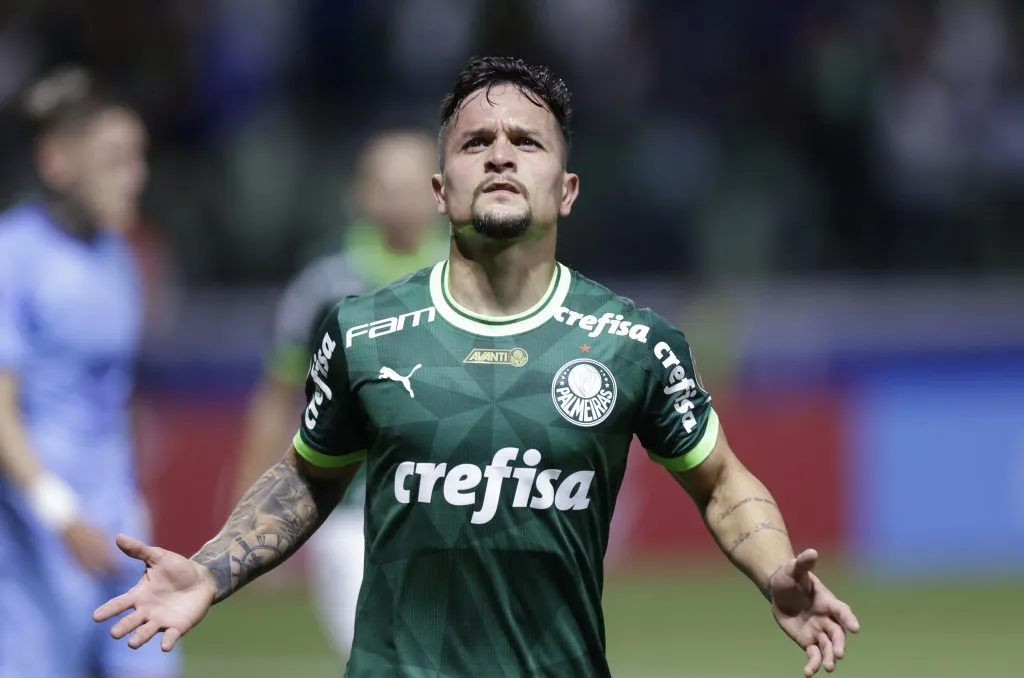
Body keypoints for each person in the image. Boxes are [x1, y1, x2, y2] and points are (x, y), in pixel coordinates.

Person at [95, 56, 860, 678]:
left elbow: (721, 480)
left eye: (526, 142)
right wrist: (212, 570)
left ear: (567, 191)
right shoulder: (364, 332)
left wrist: (772, 573)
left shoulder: (633, 341)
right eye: (474, 143)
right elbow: (308, 474)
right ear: (441, 190)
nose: (499, 153)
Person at [230, 128, 448, 656]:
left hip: (453, 505)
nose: (399, 198)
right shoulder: (324, 284)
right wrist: (251, 521)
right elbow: (278, 394)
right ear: (359, 194)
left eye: (412, 184)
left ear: (441, 192)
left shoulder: (472, 271)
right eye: (385, 184)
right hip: (349, 515)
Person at [0, 67, 179, 678]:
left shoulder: (120, 259)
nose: (138, 176)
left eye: (138, 157)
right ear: (58, 162)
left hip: (115, 531)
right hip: (32, 542)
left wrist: (130, 500)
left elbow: (114, 393)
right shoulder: (13, 256)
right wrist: (60, 513)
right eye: (116, 159)